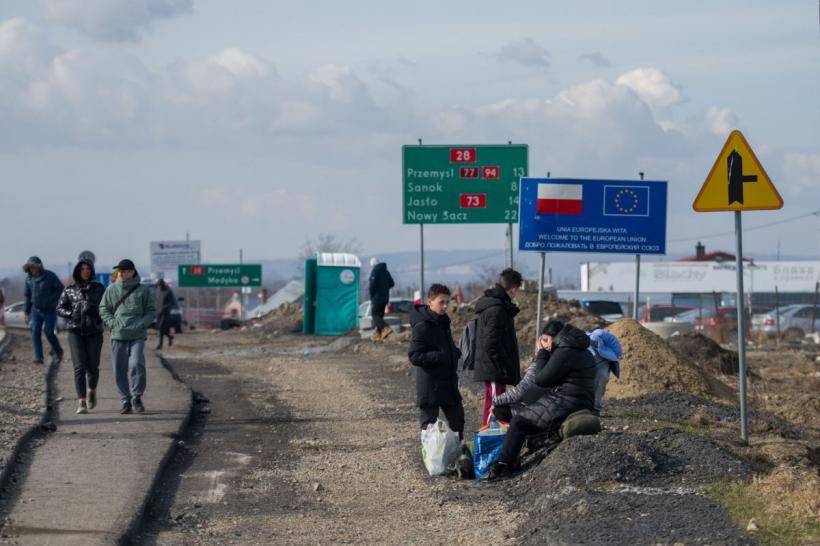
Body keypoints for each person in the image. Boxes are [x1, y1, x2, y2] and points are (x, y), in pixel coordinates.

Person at [487, 321, 597, 480]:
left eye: (545, 340)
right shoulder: (581, 350)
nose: (544, 344)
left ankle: (504, 465)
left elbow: (541, 380)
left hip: (566, 401)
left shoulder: (564, 352)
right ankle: (535, 441)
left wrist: (541, 354)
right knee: (525, 416)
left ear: (556, 338)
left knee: (519, 421)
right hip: (580, 401)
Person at [99, 259, 156, 414]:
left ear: (132, 272)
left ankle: (137, 397)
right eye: (119, 271)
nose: (121, 273)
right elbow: (103, 309)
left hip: (137, 335)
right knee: (119, 369)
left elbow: (151, 311)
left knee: (137, 364)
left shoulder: (143, 290)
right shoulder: (111, 289)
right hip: (118, 335)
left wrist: (142, 324)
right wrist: (112, 323)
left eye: (124, 271)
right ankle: (125, 400)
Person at [408, 284, 464, 439]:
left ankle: (458, 457)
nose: (445, 306)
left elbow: (443, 346)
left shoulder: (443, 321)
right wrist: (439, 356)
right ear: (430, 301)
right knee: (429, 428)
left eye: (448, 302)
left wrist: (454, 352)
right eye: (441, 302)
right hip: (430, 386)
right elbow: (414, 356)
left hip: (448, 383)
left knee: (458, 422)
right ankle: (433, 462)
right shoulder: (422, 326)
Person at [473, 268, 523, 425]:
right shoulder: (498, 309)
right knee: (496, 407)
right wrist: (503, 366)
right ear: (513, 289)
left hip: (492, 367)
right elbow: (491, 343)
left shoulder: (493, 304)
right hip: (494, 369)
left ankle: (486, 438)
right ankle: (490, 439)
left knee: (491, 403)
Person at [490, 320, 564, 422]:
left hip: (550, 411)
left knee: (500, 410)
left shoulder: (548, 359)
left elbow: (520, 391)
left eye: (546, 340)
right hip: (557, 407)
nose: (544, 344)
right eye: (543, 340)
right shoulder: (565, 356)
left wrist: (495, 401)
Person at [57, 259, 105, 414]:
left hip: (94, 332)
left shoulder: (99, 288)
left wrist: (93, 310)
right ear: (77, 271)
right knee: (79, 367)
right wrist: (71, 313)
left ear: (91, 271)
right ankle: (81, 402)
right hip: (75, 332)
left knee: (93, 367)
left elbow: (107, 309)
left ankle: (92, 390)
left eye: (88, 269)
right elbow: (60, 308)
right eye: (82, 269)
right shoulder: (69, 290)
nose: (85, 271)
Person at [22, 256, 64, 365]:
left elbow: (60, 288)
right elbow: (27, 296)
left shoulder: (50, 276)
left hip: (49, 310)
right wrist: (26, 311)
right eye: (30, 268)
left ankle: (59, 351)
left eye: (34, 267)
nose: (33, 269)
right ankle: (39, 358)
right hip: (35, 311)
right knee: (35, 332)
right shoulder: (28, 279)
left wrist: (51, 300)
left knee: (49, 332)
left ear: (39, 267)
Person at [588, 328, 622, 413]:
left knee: (600, 383)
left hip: (602, 361)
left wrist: (616, 355)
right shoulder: (581, 340)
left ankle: (596, 408)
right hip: (591, 361)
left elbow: (615, 346)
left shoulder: (599, 334)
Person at [368, 257, 395, 341]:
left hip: (377, 298)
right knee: (379, 317)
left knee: (375, 315)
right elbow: (392, 283)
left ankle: (386, 328)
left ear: (372, 265)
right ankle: (378, 335)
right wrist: (384, 288)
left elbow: (372, 286)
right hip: (385, 298)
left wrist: (372, 295)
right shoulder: (386, 272)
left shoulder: (375, 271)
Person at [155, 279, 176, 350]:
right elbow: (156, 301)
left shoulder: (168, 291)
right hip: (158, 313)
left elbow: (172, 302)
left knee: (161, 328)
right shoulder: (157, 291)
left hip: (165, 313)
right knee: (160, 328)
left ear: (163, 285)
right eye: (158, 285)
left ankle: (160, 345)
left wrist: (165, 308)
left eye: (160, 285)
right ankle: (170, 337)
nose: (159, 287)